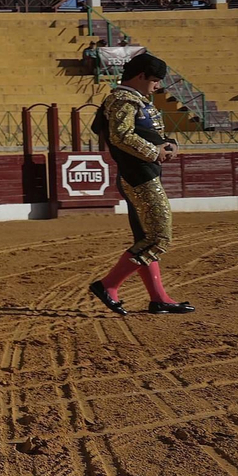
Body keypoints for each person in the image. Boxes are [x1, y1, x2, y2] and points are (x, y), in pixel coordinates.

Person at [89, 52, 193, 316]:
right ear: (140, 76)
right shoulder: (122, 100)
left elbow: (150, 133)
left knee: (146, 239)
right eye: (154, 80)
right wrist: (154, 152)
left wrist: (170, 144)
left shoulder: (134, 100)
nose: (157, 86)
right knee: (159, 238)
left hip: (142, 172)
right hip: (138, 175)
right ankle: (108, 285)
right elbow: (121, 136)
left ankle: (159, 298)